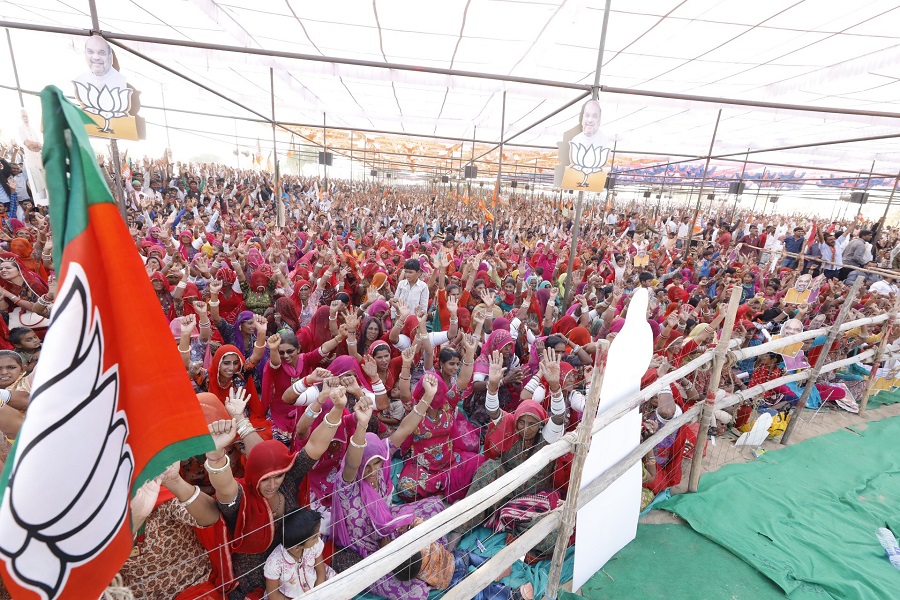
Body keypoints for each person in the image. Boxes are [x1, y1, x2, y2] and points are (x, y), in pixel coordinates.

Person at [205, 384, 352, 599]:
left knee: (350, 563)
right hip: (254, 575)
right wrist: (215, 454)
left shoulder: (288, 479)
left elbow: (315, 446)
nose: (273, 484)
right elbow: (224, 487)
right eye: (266, 479)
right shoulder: (243, 498)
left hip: (298, 557)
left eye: (278, 476)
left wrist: (337, 409)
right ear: (253, 474)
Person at [332, 376, 446, 600]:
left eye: (377, 463)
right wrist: (362, 424)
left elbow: (404, 428)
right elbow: (354, 462)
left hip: (389, 523)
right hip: (365, 545)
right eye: (369, 465)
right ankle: (422, 556)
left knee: (436, 506)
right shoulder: (347, 484)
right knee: (414, 591)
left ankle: (422, 555)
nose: (374, 470)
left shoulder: (383, 461)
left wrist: (427, 397)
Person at [263, 508, 335, 598]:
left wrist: (317, 594)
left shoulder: (314, 545)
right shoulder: (274, 563)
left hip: (317, 586)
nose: (319, 536)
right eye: (315, 536)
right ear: (297, 547)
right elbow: (274, 595)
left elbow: (321, 571)